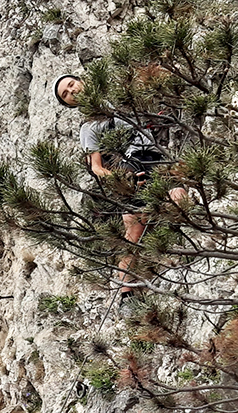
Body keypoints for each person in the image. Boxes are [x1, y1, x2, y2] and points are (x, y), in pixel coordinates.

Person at [54, 75, 190, 305]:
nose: (72, 91)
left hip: (155, 157)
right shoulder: (89, 127)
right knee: (133, 229)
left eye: (71, 85)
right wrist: (121, 179)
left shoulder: (119, 98)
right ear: (69, 104)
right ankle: (126, 293)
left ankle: (178, 239)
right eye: (65, 95)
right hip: (131, 169)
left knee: (179, 197)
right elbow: (96, 168)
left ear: (83, 81)